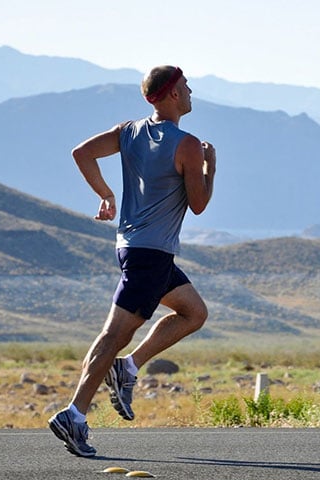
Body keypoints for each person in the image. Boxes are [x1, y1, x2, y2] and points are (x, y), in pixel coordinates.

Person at [48, 65, 216, 457]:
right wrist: (211, 166)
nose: (191, 93)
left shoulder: (129, 131)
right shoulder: (188, 145)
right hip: (151, 254)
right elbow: (199, 204)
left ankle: (129, 367)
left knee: (193, 312)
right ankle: (74, 414)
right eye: (187, 87)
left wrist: (105, 194)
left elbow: (82, 152)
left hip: (134, 248)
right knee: (113, 335)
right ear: (173, 93)